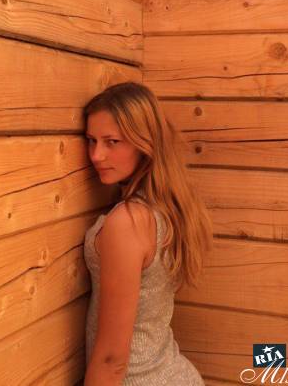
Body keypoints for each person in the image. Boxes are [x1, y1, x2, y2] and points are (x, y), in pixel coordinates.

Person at [82, 81, 213, 385]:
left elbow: (112, 360)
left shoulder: (128, 222)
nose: (97, 155)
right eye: (91, 140)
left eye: (112, 142)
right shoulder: (167, 207)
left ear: (145, 143)